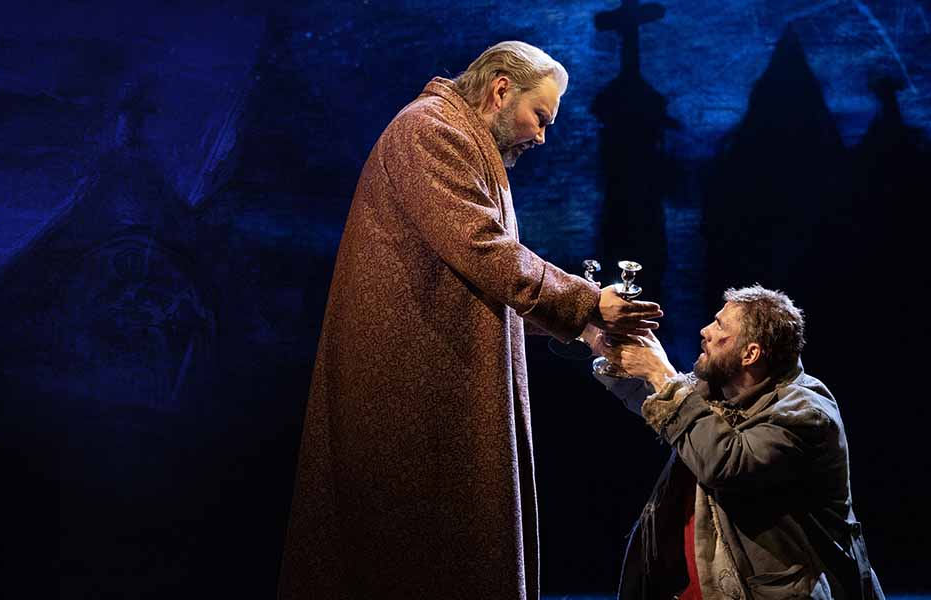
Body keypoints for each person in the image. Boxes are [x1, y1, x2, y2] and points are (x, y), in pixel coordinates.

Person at [278, 41, 662, 600]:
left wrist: (585, 325)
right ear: (501, 88)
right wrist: (586, 303)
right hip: (408, 389)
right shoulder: (430, 131)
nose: (541, 136)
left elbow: (478, 278)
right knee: (409, 558)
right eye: (540, 117)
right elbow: (485, 250)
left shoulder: (462, 141)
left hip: (434, 377)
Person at [595, 285, 883, 600]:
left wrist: (661, 374)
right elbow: (662, 404)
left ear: (750, 354)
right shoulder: (723, 389)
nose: (705, 330)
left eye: (720, 326)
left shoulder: (804, 414)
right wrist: (600, 340)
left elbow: (725, 462)